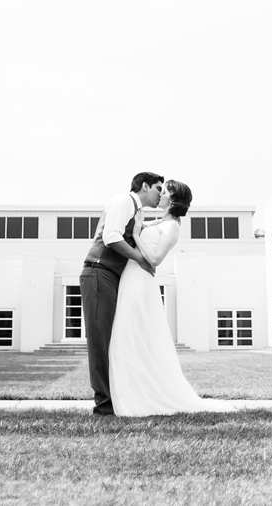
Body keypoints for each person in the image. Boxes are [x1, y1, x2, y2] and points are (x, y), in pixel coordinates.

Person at [109, 179, 237, 416]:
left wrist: (137, 236)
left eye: (164, 191)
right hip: (130, 278)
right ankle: (131, 392)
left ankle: (141, 398)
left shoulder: (173, 227)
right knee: (128, 336)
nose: (160, 195)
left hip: (140, 281)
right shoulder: (159, 221)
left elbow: (156, 259)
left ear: (173, 199)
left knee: (135, 335)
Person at [81, 171, 163, 416]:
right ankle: (104, 406)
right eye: (158, 188)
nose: (161, 194)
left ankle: (115, 399)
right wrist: (141, 260)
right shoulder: (122, 201)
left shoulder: (139, 213)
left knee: (115, 340)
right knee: (100, 342)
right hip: (98, 272)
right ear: (145, 186)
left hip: (112, 277)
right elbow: (111, 237)